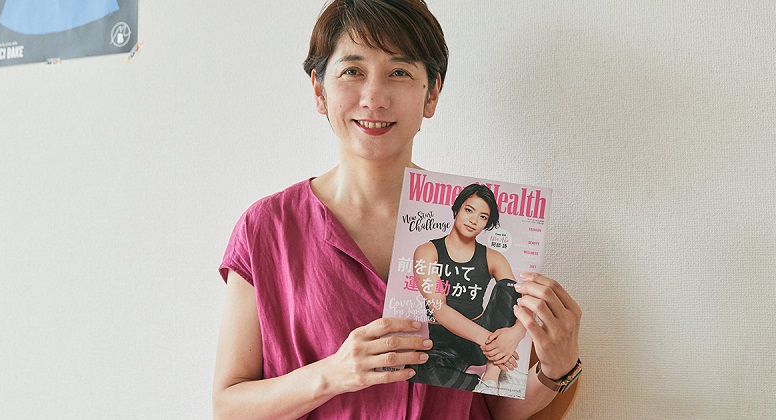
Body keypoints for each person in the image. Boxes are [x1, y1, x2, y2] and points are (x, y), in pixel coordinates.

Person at [213, 1, 581, 419]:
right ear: (319, 90)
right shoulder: (267, 229)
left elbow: (495, 408)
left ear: (432, 93)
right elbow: (228, 407)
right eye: (352, 71)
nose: (374, 98)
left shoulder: (488, 230)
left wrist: (557, 366)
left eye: (400, 72)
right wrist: (334, 373)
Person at [410, 184, 528, 396]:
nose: (474, 220)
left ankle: (492, 376)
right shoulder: (427, 252)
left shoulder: (494, 257)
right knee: (418, 369)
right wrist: (493, 343)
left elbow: (518, 299)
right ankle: (477, 383)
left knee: (509, 287)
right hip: (446, 344)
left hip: (481, 341)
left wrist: (516, 333)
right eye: (469, 210)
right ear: (456, 209)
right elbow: (439, 309)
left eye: (483, 217)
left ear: (487, 223)